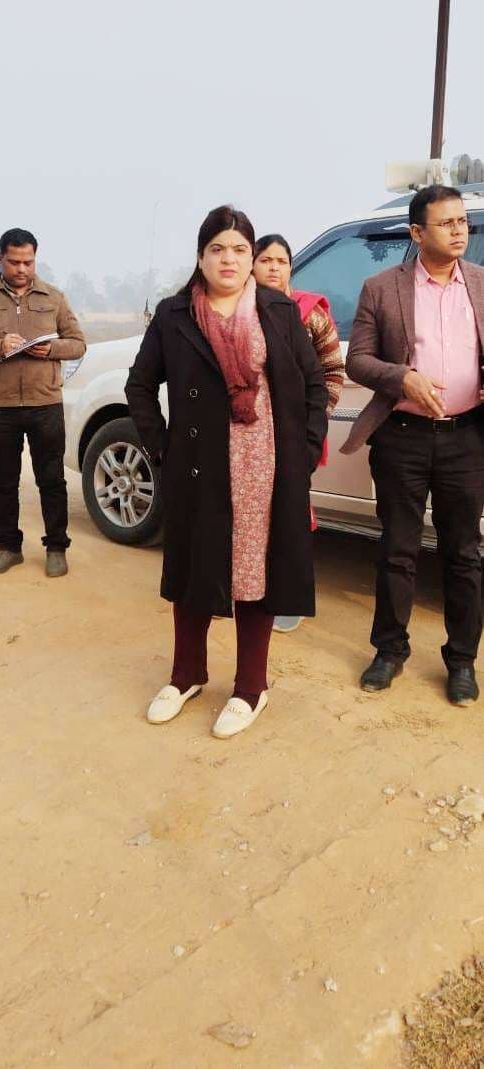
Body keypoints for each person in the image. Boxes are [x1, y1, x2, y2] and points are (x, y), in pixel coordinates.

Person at [125, 205, 327, 738]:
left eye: (240, 249)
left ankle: (251, 687)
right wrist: (162, 449)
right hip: (199, 464)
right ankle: (187, 674)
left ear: (252, 257)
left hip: (265, 464)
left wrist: (305, 451)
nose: (229, 259)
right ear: (201, 257)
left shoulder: (278, 311)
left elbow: (313, 384)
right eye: (217, 249)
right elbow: (139, 385)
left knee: (257, 572)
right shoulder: (174, 315)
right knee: (193, 566)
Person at [341, 185, 484, 706]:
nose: (458, 230)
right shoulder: (382, 288)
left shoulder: (481, 283)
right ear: (417, 232)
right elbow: (358, 360)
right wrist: (401, 377)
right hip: (402, 436)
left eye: (462, 221)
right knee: (397, 549)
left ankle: (462, 661)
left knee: (464, 553)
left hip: (467, 438)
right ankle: (389, 650)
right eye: (446, 223)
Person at [0, 228, 86, 577]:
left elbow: (78, 343)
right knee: (3, 482)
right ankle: (9, 548)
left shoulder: (53, 297)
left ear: (35, 259)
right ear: (0, 259)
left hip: (45, 404)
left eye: (28, 262)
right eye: (14, 262)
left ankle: (56, 548)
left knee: (51, 480)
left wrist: (51, 348)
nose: (22, 269)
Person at [253, 233, 344, 632]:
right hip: (248, 435)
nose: (274, 267)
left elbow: (332, 372)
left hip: (294, 435)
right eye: (266, 260)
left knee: (290, 514)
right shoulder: (239, 312)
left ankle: (286, 600)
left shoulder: (309, 313)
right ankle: (245, 592)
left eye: (282, 261)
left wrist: (312, 425)